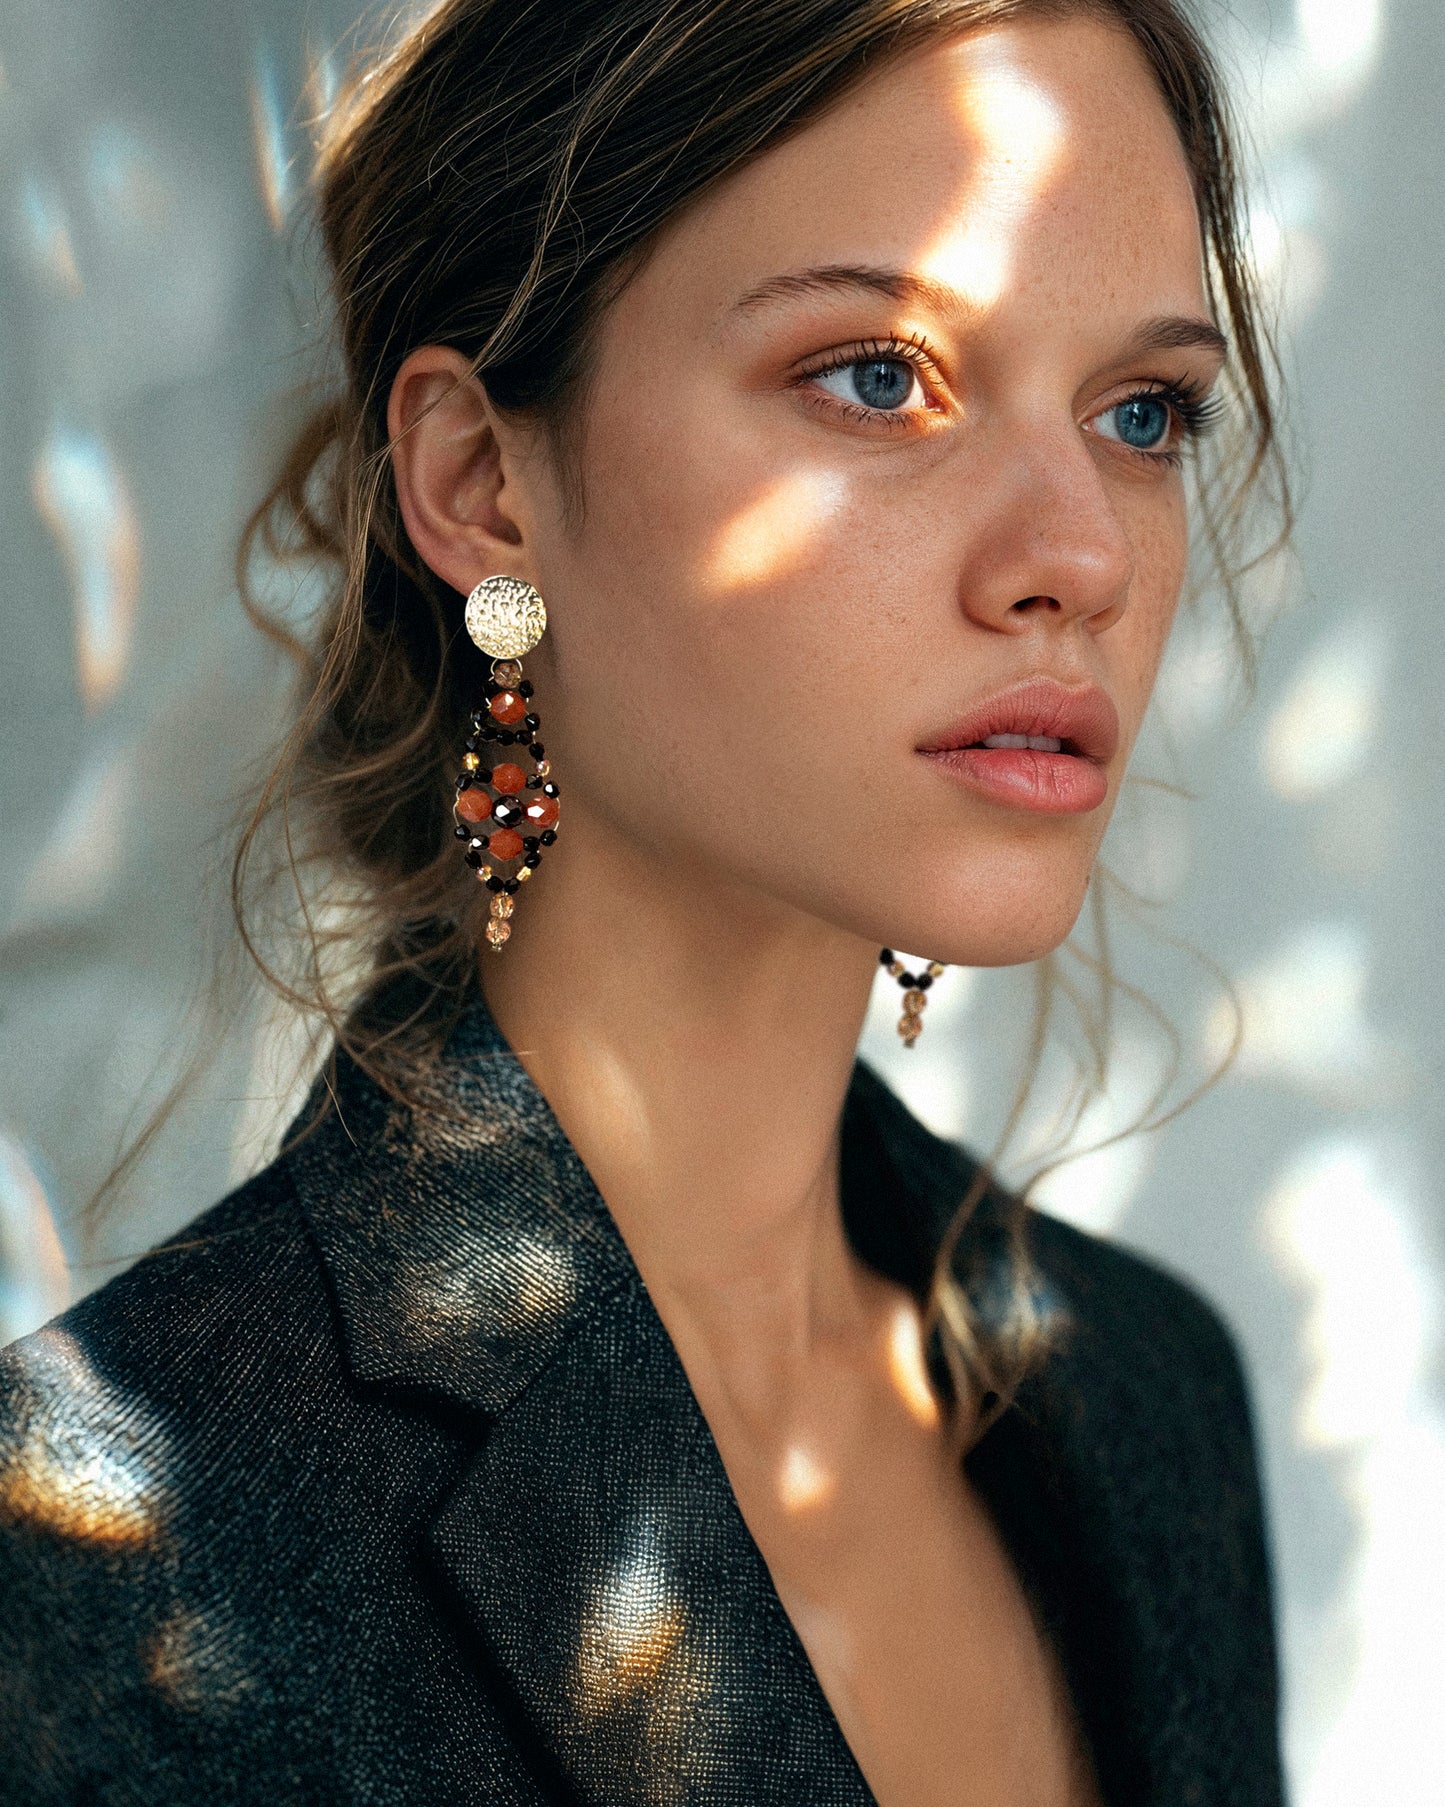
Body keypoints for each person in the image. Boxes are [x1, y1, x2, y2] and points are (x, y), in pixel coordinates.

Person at [0, 1, 1289, 1802]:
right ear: (478, 482)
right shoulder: (98, 1555)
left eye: (1141, 411)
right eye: (876, 375)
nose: (1077, 553)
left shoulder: (1148, 1401)